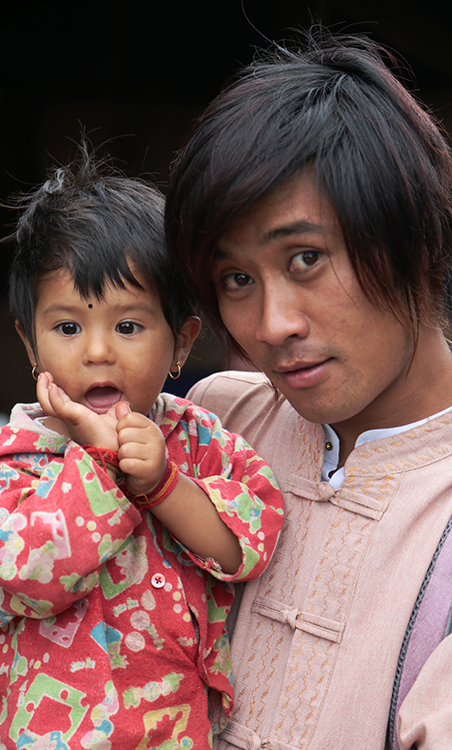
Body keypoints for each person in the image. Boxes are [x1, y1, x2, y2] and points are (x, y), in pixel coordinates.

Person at [165, 27, 452, 750]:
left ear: (415, 240)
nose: (272, 324)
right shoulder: (211, 427)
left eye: (305, 258)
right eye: (236, 279)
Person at [0, 145, 284, 750]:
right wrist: (101, 460)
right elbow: (30, 577)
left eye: (128, 326)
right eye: (67, 328)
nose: (98, 352)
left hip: (181, 732)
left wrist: (165, 487)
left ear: (182, 344)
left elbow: (251, 542)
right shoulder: (12, 459)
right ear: (30, 345)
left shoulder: (198, 438)